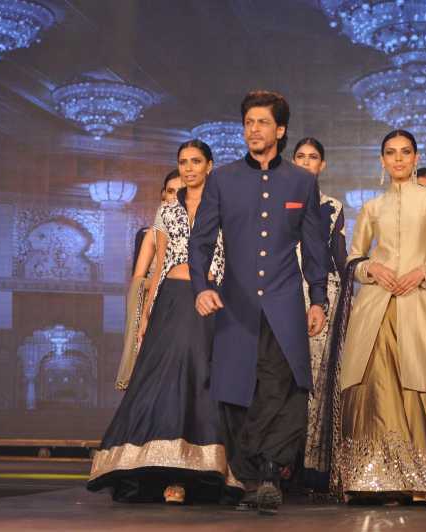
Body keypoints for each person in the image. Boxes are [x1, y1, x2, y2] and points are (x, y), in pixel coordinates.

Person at [188, 90, 329, 514]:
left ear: (280, 130)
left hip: (285, 304)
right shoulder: (223, 179)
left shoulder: (301, 182)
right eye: (248, 122)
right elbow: (200, 242)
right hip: (236, 304)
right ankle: (250, 478)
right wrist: (202, 287)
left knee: (284, 388)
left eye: (262, 122)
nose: (254, 129)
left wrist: (318, 298)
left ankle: (270, 472)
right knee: (235, 391)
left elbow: (315, 246)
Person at [88, 140, 238, 504]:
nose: (188, 168)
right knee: (160, 382)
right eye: (183, 162)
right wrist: (146, 315)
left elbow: (233, 262)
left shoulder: (225, 208)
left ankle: (199, 474)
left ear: (209, 165)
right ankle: (159, 475)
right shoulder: (166, 212)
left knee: (199, 380)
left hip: (208, 302)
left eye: (196, 162)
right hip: (170, 300)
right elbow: (157, 269)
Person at [334, 129, 426, 507]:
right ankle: (371, 476)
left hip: (418, 301)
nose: (398, 159)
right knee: (373, 384)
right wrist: (371, 271)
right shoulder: (371, 207)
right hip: (375, 306)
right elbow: (353, 257)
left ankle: (423, 478)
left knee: (418, 383)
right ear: (382, 161)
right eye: (391, 153)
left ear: (415, 158)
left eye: (405, 152)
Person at [291, 137, 346, 492]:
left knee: (315, 379)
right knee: (279, 375)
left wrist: (330, 301)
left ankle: (311, 469)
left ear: (322, 165)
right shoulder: (277, 199)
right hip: (281, 290)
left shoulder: (332, 206)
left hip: (320, 292)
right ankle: (276, 464)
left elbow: (336, 255)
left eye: (313, 158)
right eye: (300, 156)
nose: (307, 162)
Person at [116, 170, 183, 390]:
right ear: (163, 195)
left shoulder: (202, 230)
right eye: (171, 191)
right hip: (155, 308)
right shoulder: (152, 233)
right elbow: (138, 281)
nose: (175, 197)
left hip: (188, 308)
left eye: (181, 192)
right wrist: (159, 284)